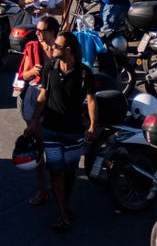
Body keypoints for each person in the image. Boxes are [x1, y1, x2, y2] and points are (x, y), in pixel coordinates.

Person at [25, 31, 98, 232]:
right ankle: (63, 214)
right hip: (51, 130)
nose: (53, 48)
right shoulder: (49, 68)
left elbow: (91, 100)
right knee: (55, 172)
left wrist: (92, 124)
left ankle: (63, 206)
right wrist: (33, 122)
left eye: (57, 46)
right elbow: (43, 96)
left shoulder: (84, 73)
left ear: (68, 50)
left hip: (74, 132)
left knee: (69, 173)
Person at [17, 16, 59, 207]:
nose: (38, 33)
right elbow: (24, 74)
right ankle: (43, 190)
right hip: (35, 98)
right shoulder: (32, 48)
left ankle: (57, 185)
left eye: (41, 30)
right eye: (37, 30)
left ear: (52, 32)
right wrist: (32, 72)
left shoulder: (60, 49)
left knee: (56, 146)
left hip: (55, 100)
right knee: (40, 146)